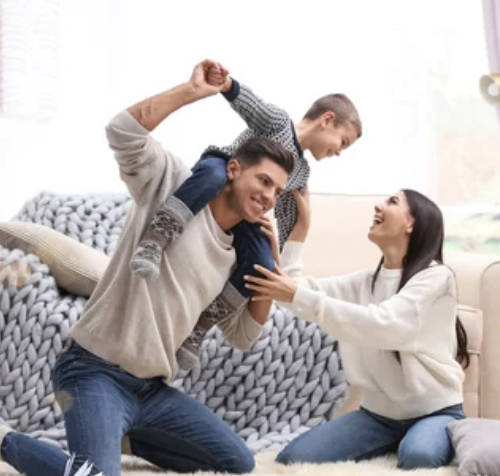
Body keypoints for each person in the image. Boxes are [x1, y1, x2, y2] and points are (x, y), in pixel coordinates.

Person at [0, 60, 296, 476]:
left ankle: (115, 435)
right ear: (234, 170)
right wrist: (190, 91)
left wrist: (269, 267)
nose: (268, 197)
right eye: (263, 180)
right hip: (93, 372)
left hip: (151, 392)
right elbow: (122, 131)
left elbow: (243, 337)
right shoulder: (172, 184)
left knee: (235, 461)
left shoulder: (242, 251)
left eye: (277, 191)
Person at [130, 62, 362, 363]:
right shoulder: (279, 123)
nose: (340, 152)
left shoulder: (301, 174)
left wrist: (299, 231)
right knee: (214, 175)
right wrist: (226, 84)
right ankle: (155, 240)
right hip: (225, 171)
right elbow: (252, 106)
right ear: (327, 120)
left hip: (246, 211)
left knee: (262, 262)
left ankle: (201, 326)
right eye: (342, 142)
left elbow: (286, 225)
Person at [244, 188, 470, 470]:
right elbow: (293, 293)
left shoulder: (437, 278)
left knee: (419, 457)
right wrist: (300, 229)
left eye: (392, 201)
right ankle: (399, 442)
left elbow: (383, 325)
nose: (378, 205)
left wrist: (298, 296)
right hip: (378, 417)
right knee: (293, 458)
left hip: (434, 411)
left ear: (412, 223)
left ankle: (431, 435)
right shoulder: (365, 282)